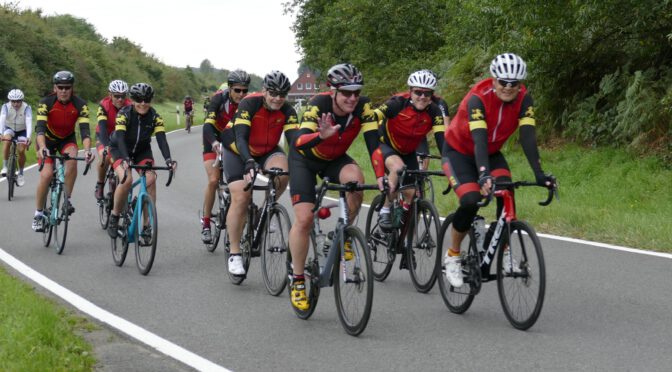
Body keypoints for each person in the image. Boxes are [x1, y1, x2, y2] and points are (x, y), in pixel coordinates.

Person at [441, 53, 555, 287]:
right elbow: (479, 139)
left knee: (507, 193)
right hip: (459, 152)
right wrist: (483, 174)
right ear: (493, 80)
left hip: (491, 153)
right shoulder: (477, 98)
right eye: (503, 82)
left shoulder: (524, 100)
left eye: (514, 84)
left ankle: (501, 249)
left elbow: (527, 137)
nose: (508, 88)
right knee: (471, 201)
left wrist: (539, 173)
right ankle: (452, 255)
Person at [287, 63, 380, 311]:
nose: (352, 98)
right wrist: (321, 136)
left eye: (356, 92)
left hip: (334, 159)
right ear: (333, 91)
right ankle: (297, 280)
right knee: (305, 219)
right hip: (304, 159)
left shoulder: (364, 106)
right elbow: (298, 142)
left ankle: (343, 235)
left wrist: (382, 177)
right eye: (346, 92)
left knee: (356, 182)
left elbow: (374, 145)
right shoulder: (318, 104)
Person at [223, 70, 298, 275]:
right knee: (241, 195)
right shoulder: (250, 103)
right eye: (273, 93)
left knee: (284, 173)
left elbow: (294, 143)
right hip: (237, 148)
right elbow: (240, 137)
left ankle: (267, 210)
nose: (277, 98)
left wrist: (304, 165)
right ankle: (235, 253)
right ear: (264, 90)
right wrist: (248, 161)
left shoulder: (288, 111)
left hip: (267, 150)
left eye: (282, 94)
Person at [373, 70, 446, 230]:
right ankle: (385, 209)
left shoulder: (434, 111)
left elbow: (442, 139)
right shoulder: (397, 103)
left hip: (409, 152)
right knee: (398, 169)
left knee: (412, 194)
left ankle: (404, 240)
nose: (422, 96)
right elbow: (372, 117)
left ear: (432, 94)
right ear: (411, 91)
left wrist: (449, 163)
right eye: (418, 92)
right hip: (386, 145)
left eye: (427, 93)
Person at [107, 83, 177, 238]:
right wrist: (125, 158)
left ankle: (146, 225)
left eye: (146, 100)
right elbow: (119, 138)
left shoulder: (155, 117)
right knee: (126, 179)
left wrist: (168, 160)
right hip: (119, 149)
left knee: (151, 179)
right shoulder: (124, 114)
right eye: (139, 99)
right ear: (132, 100)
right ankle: (114, 216)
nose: (143, 103)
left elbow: (161, 139)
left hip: (141, 151)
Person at [32, 71, 93, 232]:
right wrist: (43, 147)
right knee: (46, 175)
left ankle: (67, 199)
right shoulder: (46, 102)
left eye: (67, 87)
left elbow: (85, 131)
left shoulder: (80, 104)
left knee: (72, 160)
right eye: (60, 87)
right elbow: (39, 129)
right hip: (47, 139)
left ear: (72, 88)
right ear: (55, 87)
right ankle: (38, 213)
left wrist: (87, 150)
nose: (64, 90)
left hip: (67, 139)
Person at [200, 69, 251, 243]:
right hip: (213, 138)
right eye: (237, 90)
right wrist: (214, 143)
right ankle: (206, 223)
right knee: (214, 180)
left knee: (244, 183)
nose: (241, 94)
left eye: (245, 90)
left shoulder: (248, 103)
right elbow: (207, 125)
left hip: (233, 141)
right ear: (229, 89)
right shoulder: (218, 99)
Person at [94, 80, 131, 201]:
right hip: (104, 135)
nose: (120, 99)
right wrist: (105, 147)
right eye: (116, 96)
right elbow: (103, 127)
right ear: (110, 95)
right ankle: (100, 183)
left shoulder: (130, 106)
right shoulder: (103, 105)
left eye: (123, 96)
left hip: (120, 137)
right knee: (104, 156)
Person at [0, 89, 32, 186]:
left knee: (21, 151)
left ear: (22, 100)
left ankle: (21, 174)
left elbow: (29, 122)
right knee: (7, 141)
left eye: (18, 101)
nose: (15, 104)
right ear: (10, 100)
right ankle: (5, 166)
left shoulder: (27, 108)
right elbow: (2, 119)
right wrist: (0, 133)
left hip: (22, 130)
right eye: (13, 101)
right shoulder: (5, 107)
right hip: (9, 128)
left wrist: (28, 137)